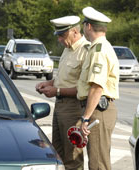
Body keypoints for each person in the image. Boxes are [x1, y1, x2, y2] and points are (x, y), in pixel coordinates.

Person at [35, 16, 90, 170]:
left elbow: (84, 89)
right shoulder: (67, 49)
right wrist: (48, 84)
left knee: (72, 156)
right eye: (58, 35)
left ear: (74, 32)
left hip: (73, 108)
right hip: (59, 106)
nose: (59, 39)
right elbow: (64, 79)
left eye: (62, 35)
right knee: (57, 154)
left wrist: (56, 90)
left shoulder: (85, 51)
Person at [77, 7, 119, 170]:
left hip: (98, 111)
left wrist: (86, 118)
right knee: (96, 161)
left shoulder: (99, 50)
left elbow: (96, 87)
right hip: (97, 110)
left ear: (88, 26)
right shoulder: (98, 47)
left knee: (98, 164)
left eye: (83, 24)